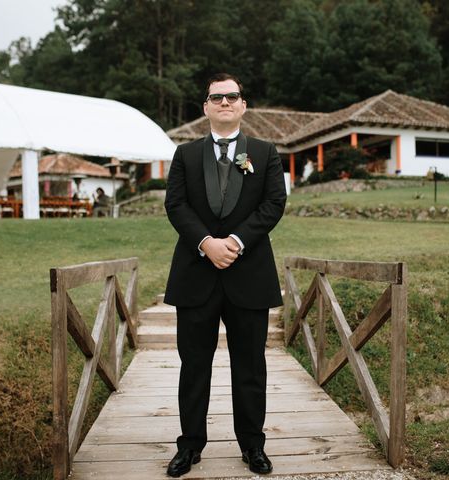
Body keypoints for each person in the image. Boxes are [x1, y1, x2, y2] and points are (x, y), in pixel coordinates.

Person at [164, 73, 286, 477]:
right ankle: (189, 446)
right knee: (193, 366)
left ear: (243, 105)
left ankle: (253, 446)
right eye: (217, 97)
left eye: (232, 97)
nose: (225, 102)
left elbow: (273, 204)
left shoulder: (266, 153)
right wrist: (206, 243)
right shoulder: (185, 155)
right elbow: (177, 205)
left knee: (250, 366)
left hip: (248, 273)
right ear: (206, 107)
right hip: (196, 274)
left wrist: (233, 240)